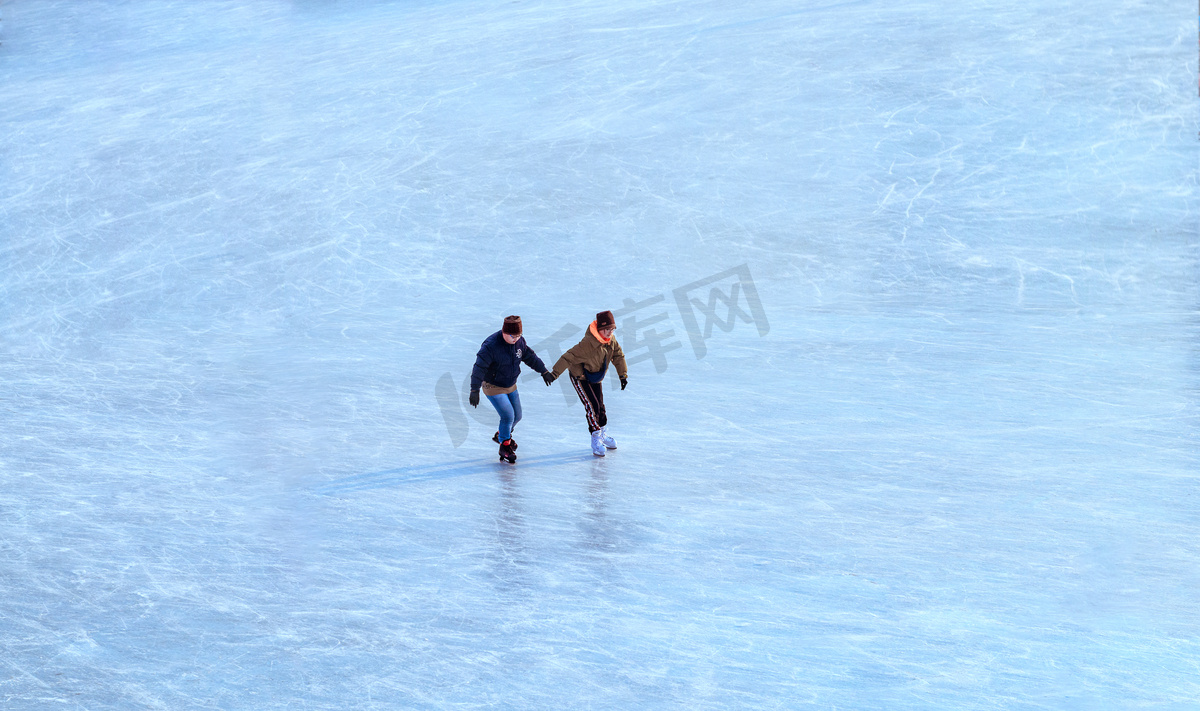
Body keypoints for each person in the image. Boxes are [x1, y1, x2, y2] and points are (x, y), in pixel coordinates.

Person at [470, 315, 555, 463]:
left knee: (517, 416)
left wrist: (544, 371)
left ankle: (502, 435)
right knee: (508, 415)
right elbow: (479, 367)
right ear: (504, 331)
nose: (515, 339)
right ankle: (505, 446)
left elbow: (529, 356)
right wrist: (474, 389)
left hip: (510, 384)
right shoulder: (491, 346)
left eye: (518, 335)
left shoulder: (519, 342)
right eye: (512, 336)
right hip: (493, 386)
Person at [545, 310, 628, 457]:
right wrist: (554, 374)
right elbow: (568, 357)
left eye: (612, 329)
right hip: (580, 377)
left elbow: (618, 355)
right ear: (600, 329)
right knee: (592, 406)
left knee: (600, 406)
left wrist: (622, 375)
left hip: (595, 376)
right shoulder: (588, 344)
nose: (610, 332)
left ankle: (602, 433)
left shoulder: (611, 341)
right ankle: (595, 437)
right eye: (607, 329)